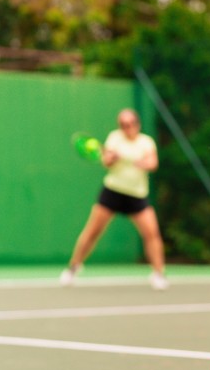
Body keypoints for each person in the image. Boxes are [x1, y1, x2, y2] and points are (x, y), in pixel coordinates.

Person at [60, 109, 169, 290]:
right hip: (112, 192)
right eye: (122, 125)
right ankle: (73, 268)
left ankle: (158, 274)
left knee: (152, 234)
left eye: (129, 124)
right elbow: (106, 161)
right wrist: (111, 158)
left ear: (137, 124)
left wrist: (139, 162)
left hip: (137, 195)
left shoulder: (146, 142)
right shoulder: (114, 138)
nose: (126, 128)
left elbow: (152, 163)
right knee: (92, 232)